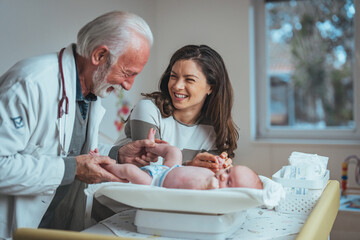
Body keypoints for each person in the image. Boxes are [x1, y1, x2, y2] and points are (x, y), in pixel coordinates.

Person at [0, 11, 158, 238]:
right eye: (127, 73)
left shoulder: (89, 92)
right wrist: (72, 169)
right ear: (99, 55)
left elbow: (69, 150)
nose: (128, 85)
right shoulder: (29, 83)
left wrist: (118, 155)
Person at [118, 44, 239, 172]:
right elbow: (149, 175)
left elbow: (205, 182)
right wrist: (190, 167)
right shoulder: (148, 110)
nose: (177, 86)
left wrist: (219, 170)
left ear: (211, 87)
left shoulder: (212, 130)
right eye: (174, 76)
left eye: (189, 79)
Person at [102, 128, 263, 190]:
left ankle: (104, 164)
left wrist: (208, 185)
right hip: (170, 169)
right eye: (228, 171)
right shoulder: (216, 176)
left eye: (228, 183)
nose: (222, 176)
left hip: (155, 182)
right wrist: (217, 164)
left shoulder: (210, 192)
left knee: (129, 170)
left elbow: (189, 187)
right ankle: (151, 146)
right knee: (174, 152)